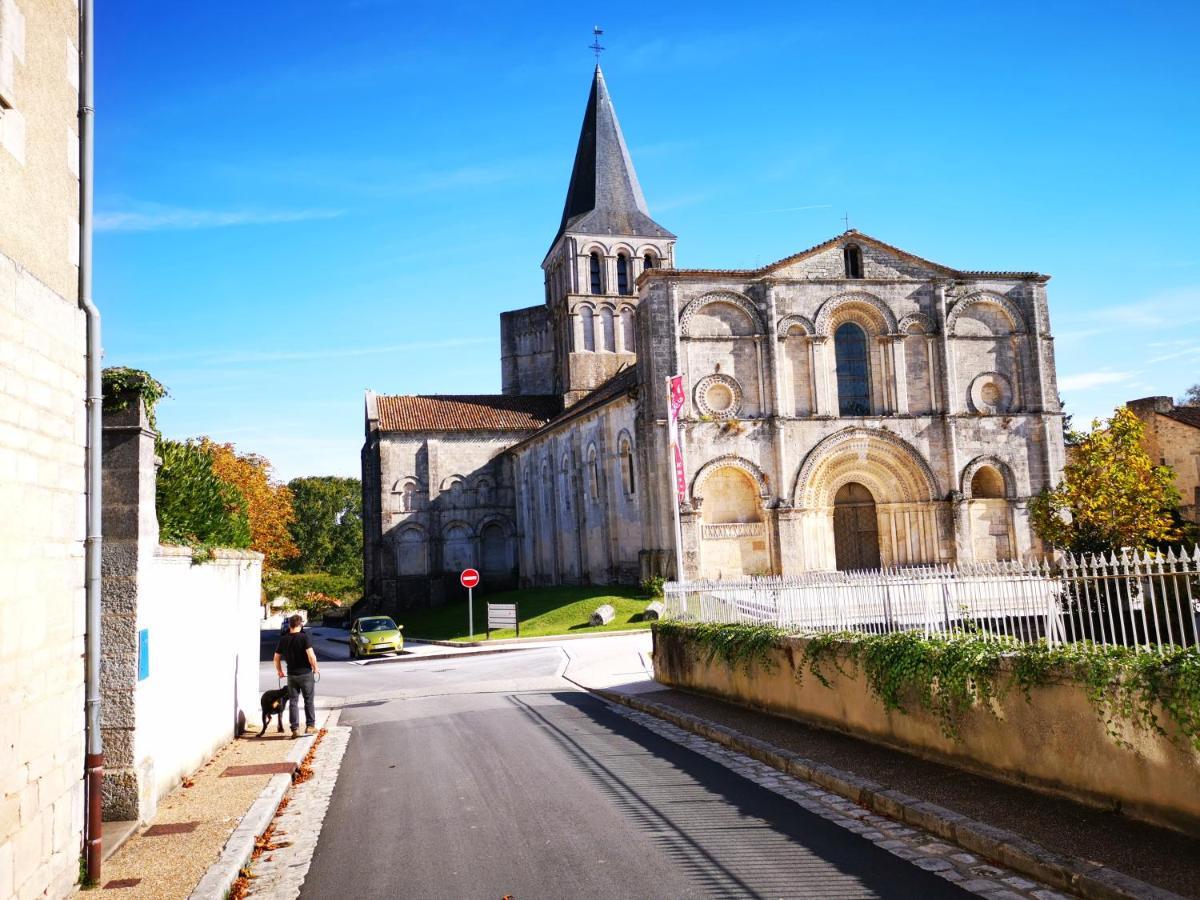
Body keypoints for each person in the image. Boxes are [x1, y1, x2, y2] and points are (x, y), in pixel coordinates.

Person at [273, 614, 320, 737]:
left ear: (290, 625)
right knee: (308, 700)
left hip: (291, 675)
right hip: (305, 674)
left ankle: (295, 729)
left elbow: (276, 658)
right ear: (300, 624)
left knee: (293, 701)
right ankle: (310, 726)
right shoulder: (304, 637)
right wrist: (315, 667)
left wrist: (280, 671)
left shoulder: (283, 639)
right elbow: (311, 655)